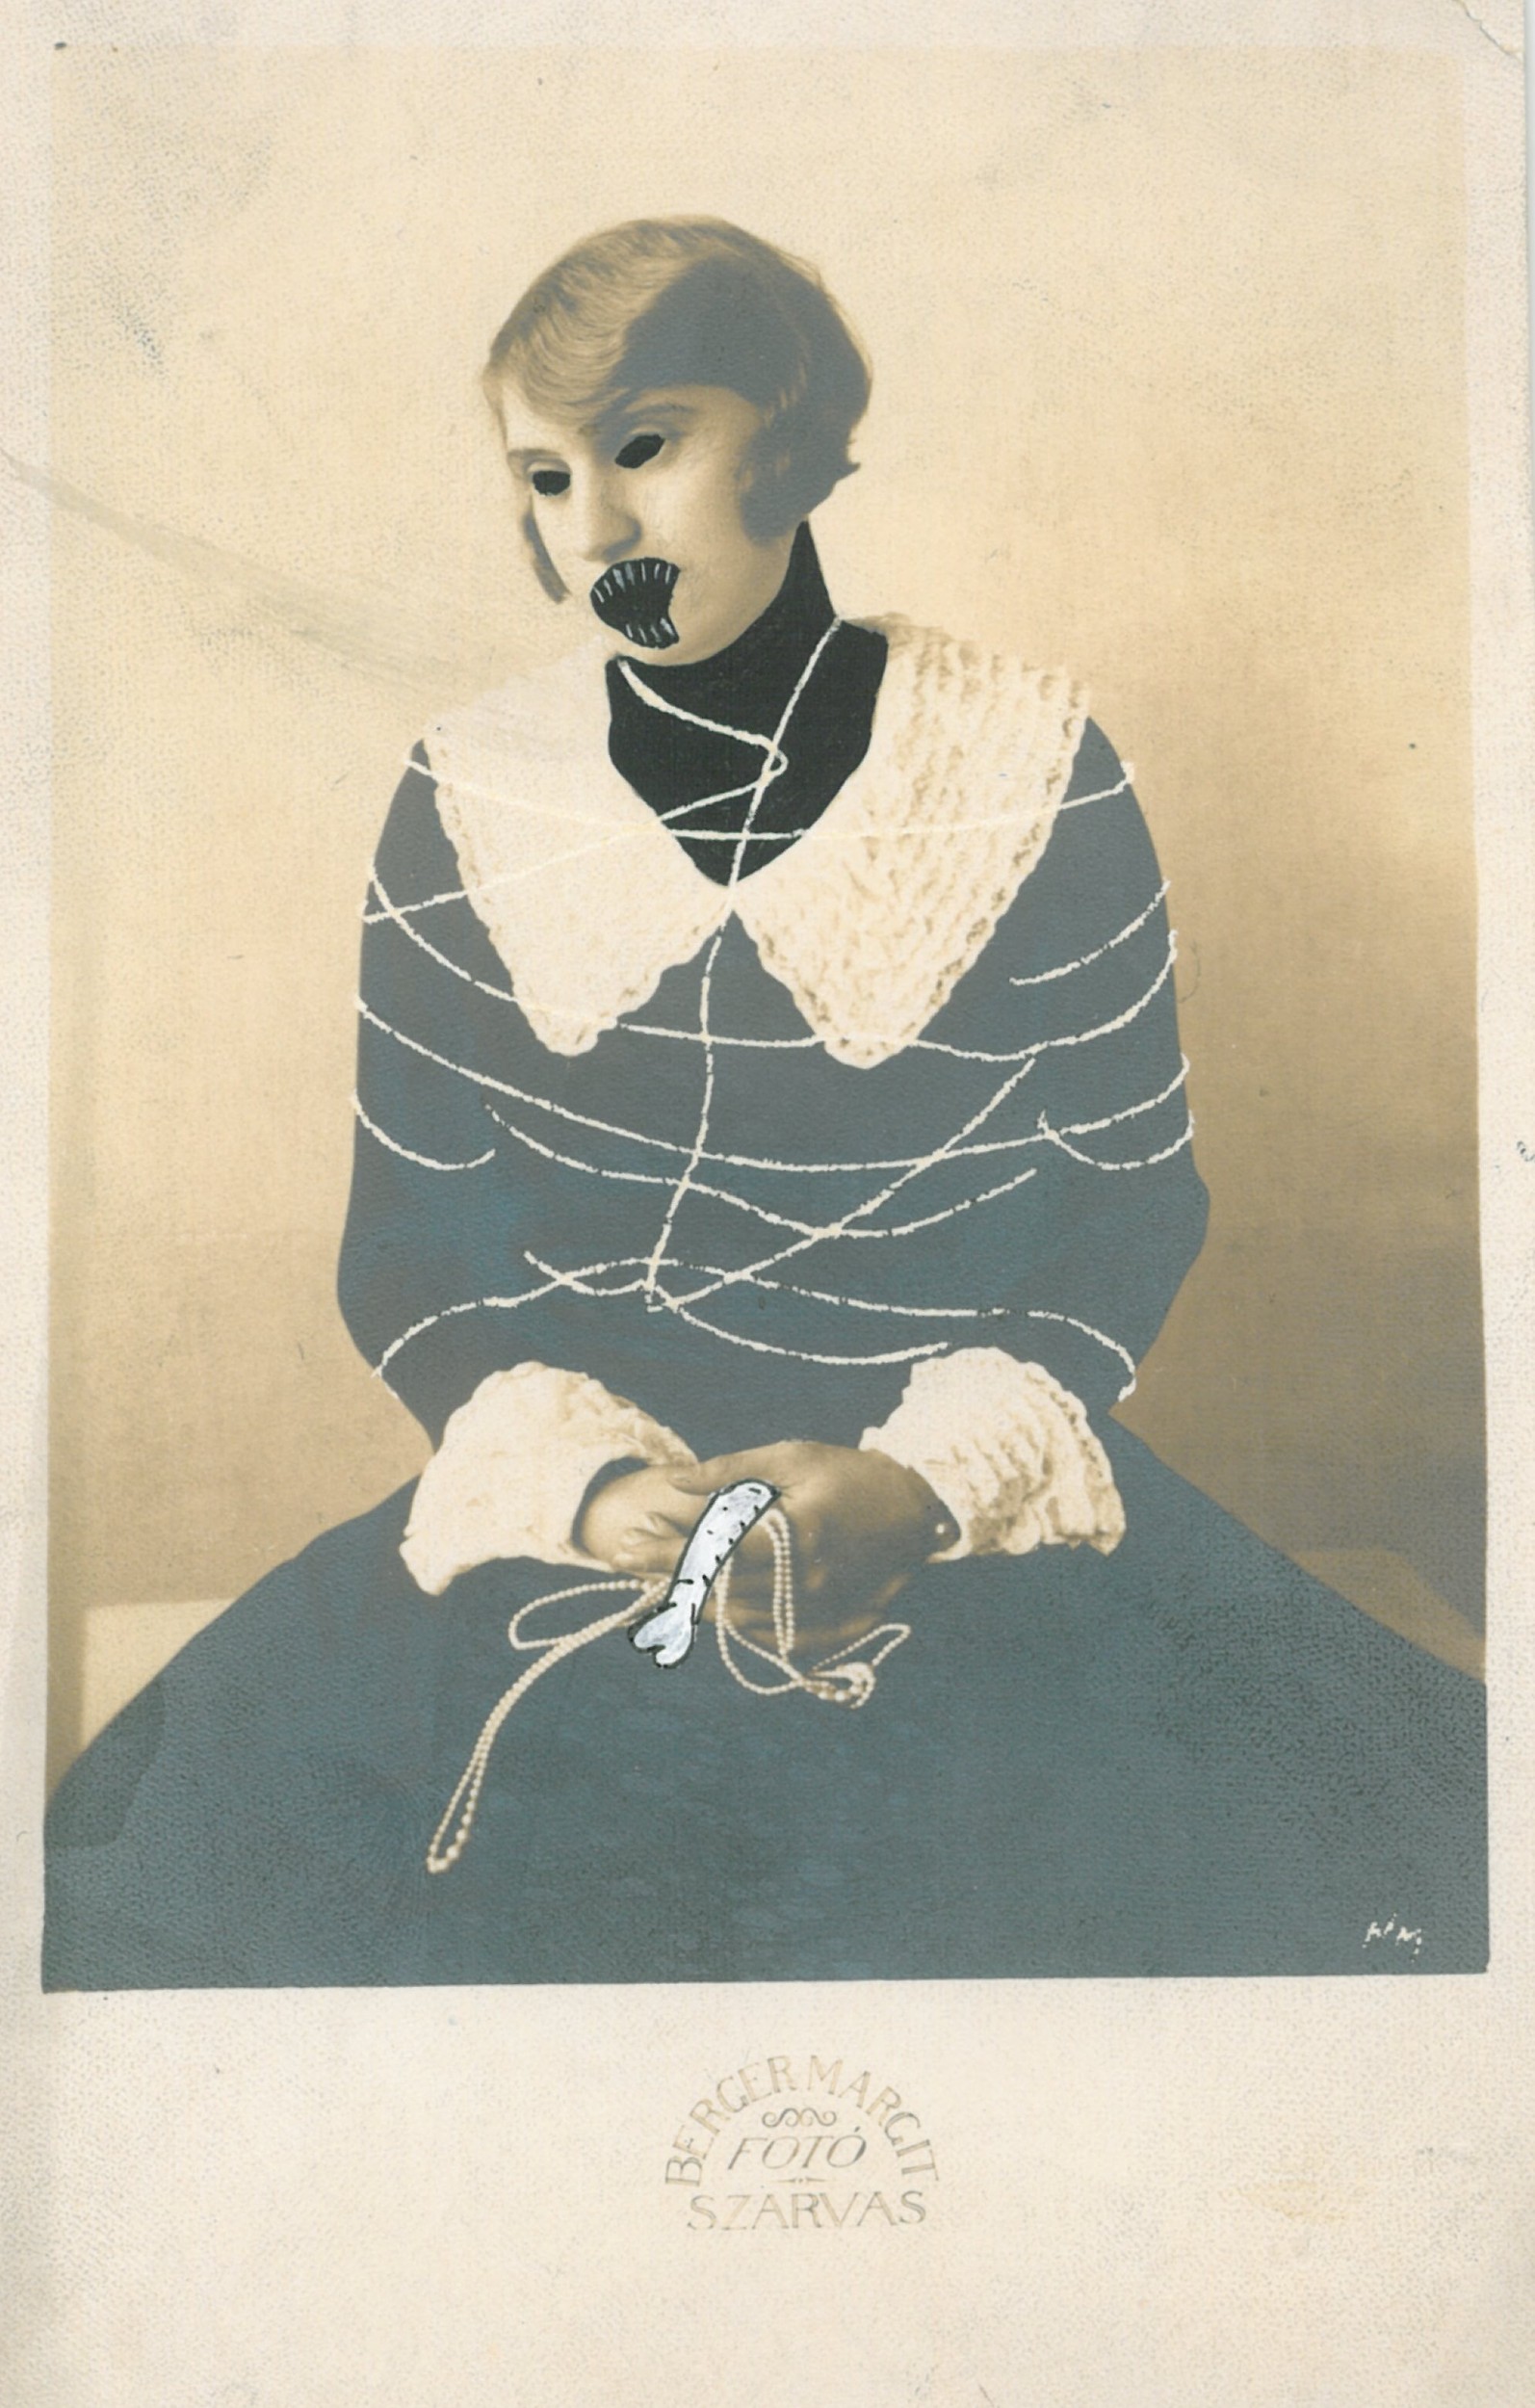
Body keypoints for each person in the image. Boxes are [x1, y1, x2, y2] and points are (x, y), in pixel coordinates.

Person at [43, 218, 1486, 1988]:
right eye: (546, 475)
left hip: (943, 1504)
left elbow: (1127, 1197)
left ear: (790, 444)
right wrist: (586, 1494)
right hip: (593, 1510)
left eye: (645, 446)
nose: (595, 528)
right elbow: (410, 1242)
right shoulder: (471, 789)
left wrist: (923, 1481)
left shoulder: (1025, 763)